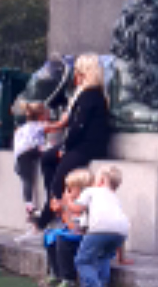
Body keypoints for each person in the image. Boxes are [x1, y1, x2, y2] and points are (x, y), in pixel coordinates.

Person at [35, 55, 111, 227]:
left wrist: (65, 147)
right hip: (82, 145)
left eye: (77, 72)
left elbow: (78, 127)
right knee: (47, 158)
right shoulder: (93, 95)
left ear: (83, 74)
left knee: (59, 178)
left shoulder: (89, 96)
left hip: (86, 147)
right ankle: (51, 203)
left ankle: (44, 218)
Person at [74, 165, 130, 287]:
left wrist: (66, 202)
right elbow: (117, 227)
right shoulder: (115, 198)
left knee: (82, 260)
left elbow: (78, 209)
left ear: (102, 180)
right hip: (121, 231)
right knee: (104, 257)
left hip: (99, 228)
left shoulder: (91, 191)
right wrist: (121, 257)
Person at [39, 167, 92, 287]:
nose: (67, 191)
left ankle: (69, 280)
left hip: (86, 238)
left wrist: (65, 209)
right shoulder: (74, 203)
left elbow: (75, 227)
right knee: (49, 235)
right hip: (76, 234)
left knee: (62, 240)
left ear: (81, 190)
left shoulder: (85, 204)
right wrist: (60, 210)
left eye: (70, 189)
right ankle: (56, 273)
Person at [13, 101, 49, 221]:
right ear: (40, 116)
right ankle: (29, 207)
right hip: (27, 153)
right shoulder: (39, 125)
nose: (48, 116)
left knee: (26, 180)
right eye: (46, 113)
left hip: (20, 156)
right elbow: (57, 126)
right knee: (27, 180)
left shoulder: (23, 127)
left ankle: (29, 206)